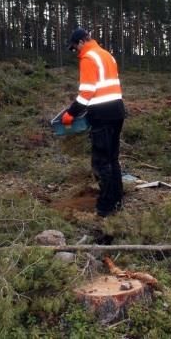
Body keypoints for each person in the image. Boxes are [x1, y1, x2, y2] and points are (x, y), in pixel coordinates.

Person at [62, 28, 126, 217]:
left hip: (102, 116)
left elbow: (87, 92)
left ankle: (105, 207)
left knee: (101, 162)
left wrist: (70, 114)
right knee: (112, 159)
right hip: (117, 111)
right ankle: (117, 200)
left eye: (75, 48)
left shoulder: (89, 57)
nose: (76, 52)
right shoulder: (106, 55)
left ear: (82, 42)